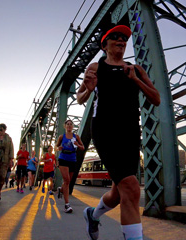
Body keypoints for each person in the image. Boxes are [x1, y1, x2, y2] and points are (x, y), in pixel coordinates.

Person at [76, 25, 160, 240]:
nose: (121, 40)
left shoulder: (136, 69)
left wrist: (135, 79)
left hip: (130, 132)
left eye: (124, 38)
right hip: (105, 130)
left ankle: (92, 215)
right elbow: (80, 98)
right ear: (104, 45)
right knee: (131, 188)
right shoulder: (96, 67)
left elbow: (156, 99)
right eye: (115, 37)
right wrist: (88, 87)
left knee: (118, 192)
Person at [55, 120, 85, 213]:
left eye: (70, 124)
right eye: (67, 124)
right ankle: (67, 205)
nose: (69, 126)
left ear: (73, 127)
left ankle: (61, 189)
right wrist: (58, 148)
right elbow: (56, 146)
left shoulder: (76, 137)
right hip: (63, 158)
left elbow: (82, 147)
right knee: (67, 180)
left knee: (68, 182)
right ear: (65, 126)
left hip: (72, 159)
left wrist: (78, 144)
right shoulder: (61, 137)